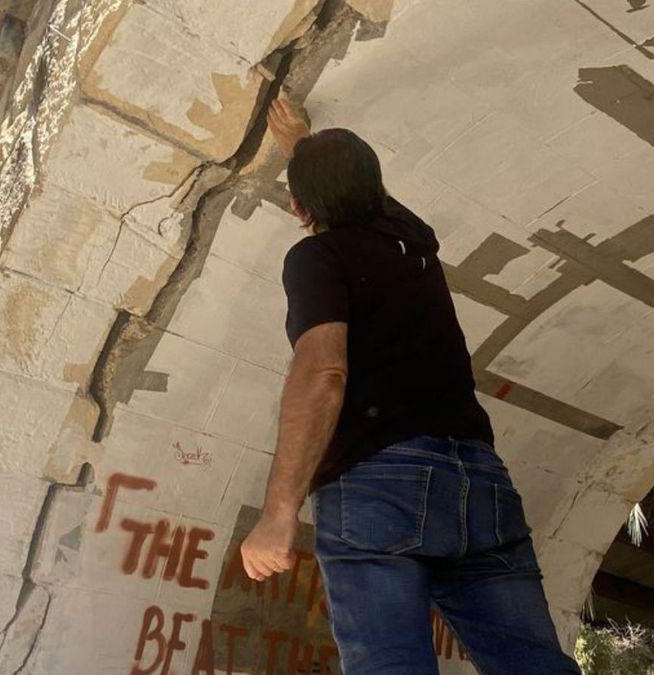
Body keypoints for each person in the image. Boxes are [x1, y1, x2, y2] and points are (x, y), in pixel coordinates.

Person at [239, 99, 581, 674]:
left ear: (298, 208)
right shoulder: (416, 245)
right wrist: (302, 143)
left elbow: (323, 372)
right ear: (377, 191)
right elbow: (362, 197)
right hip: (480, 483)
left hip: (381, 484)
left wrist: (279, 511)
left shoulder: (315, 257)